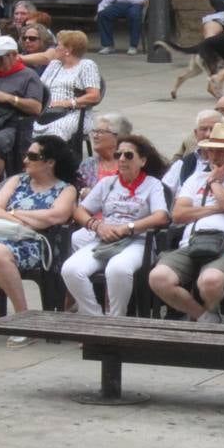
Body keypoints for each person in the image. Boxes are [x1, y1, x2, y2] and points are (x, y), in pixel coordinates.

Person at [0, 135, 78, 345]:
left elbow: (55, 216)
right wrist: (24, 219)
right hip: (2, 234)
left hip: (36, 244)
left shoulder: (66, 189)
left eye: (32, 156)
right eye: (26, 155)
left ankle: (23, 319)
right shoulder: (17, 180)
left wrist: (14, 213)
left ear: (50, 162)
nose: (25, 160)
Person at [149, 123, 224, 324]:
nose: (214, 155)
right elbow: (178, 214)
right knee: (158, 278)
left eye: (221, 150)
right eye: (211, 149)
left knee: (210, 281)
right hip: (191, 243)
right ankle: (207, 317)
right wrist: (217, 207)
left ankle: (213, 310)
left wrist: (214, 183)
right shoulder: (196, 178)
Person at [60, 135, 170, 318]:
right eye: (118, 154)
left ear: (142, 160)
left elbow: (161, 217)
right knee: (71, 269)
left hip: (137, 241)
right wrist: (96, 225)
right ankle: (94, 318)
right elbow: (80, 210)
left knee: (117, 269)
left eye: (128, 155)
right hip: (104, 238)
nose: (121, 159)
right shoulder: (107, 183)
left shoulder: (152, 185)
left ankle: (116, 319)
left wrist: (128, 227)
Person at [0, 36, 46, 198]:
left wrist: (9, 98)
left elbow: (36, 107)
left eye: (0, 57)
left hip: (14, 124)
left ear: (13, 55)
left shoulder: (29, 76)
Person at [30, 30, 102, 141]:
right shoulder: (55, 64)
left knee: (54, 131)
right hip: (46, 112)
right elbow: (40, 87)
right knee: (24, 126)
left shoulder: (86, 65)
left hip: (73, 113)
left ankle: (56, 158)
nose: (55, 49)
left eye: (58, 45)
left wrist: (66, 103)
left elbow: (94, 96)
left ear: (68, 50)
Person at [79, 112, 131, 189]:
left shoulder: (130, 165)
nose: (95, 136)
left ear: (117, 136)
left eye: (100, 132)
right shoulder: (88, 165)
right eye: (94, 131)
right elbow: (77, 190)